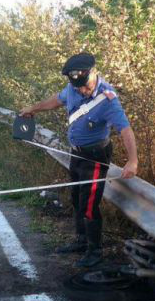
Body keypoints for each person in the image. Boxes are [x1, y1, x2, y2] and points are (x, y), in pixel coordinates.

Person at [20, 53, 138, 267]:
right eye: (77, 88)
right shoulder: (72, 90)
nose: (81, 90)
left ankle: (95, 251)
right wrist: (33, 109)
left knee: (90, 203)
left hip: (95, 157)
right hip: (77, 153)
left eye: (84, 86)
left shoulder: (108, 99)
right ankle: (81, 240)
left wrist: (132, 161)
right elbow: (56, 100)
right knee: (76, 197)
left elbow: (125, 130)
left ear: (93, 73)